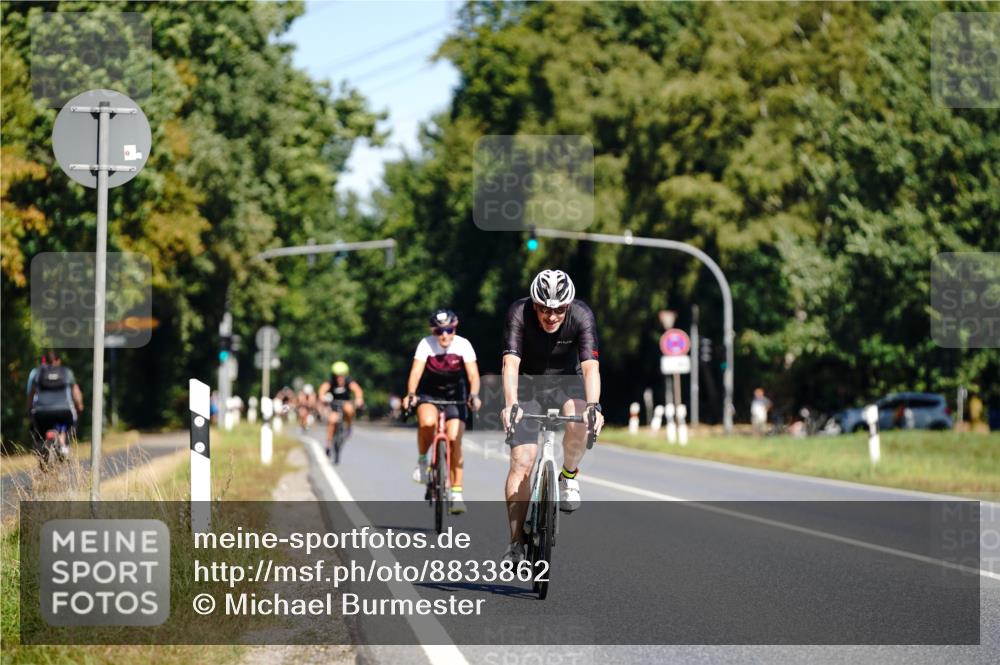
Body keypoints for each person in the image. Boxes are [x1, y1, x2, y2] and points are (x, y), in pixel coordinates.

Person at [500, 270, 604, 563]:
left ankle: (568, 476)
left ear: (568, 306)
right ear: (534, 304)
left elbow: (590, 368)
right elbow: (510, 364)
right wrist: (511, 404)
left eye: (559, 309)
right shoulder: (518, 313)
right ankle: (515, 543)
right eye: (544, 308)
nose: (551, 315)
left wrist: (594, 406)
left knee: (582, 415)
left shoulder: (582, 315)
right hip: (528, 385)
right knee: (522, 462)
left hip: (566, 385)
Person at [402, 309, 482, 515]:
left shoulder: (463, 344)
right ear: (433, 331)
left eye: (449, 330)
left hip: (456, 394)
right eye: (439, 331)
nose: (444, 335)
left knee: (455, 438)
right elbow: (416, 372)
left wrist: (474, 395)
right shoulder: (425, 344)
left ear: (454, 328)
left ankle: (456, 493)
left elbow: (473, 375)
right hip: (430, 393)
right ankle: (422, 462)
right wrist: (411, 393)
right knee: (427, 423)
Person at [26, 351, 84, 458]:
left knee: (37, 428)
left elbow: (31, 394)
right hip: (64, 410)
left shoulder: (38, 373)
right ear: (58, 361)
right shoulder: (66, 372)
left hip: (41, 411)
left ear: (45, 361)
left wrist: (29, 409)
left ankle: (40, 448)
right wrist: (79, 406)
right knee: (72, 422)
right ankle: (63, 443)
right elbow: (76, 391)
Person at [318, 361, 365, 457]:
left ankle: (348, 426)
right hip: (334, 405)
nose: (340, 378)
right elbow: (322, 389)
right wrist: (322, 397)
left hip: (345, 403)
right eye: (337, 376)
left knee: (349, 409)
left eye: (342, 375)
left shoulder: (349, 381)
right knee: (332, 420)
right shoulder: (331, 382)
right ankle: (328, 445)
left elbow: (357, 390)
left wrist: (359, 399)